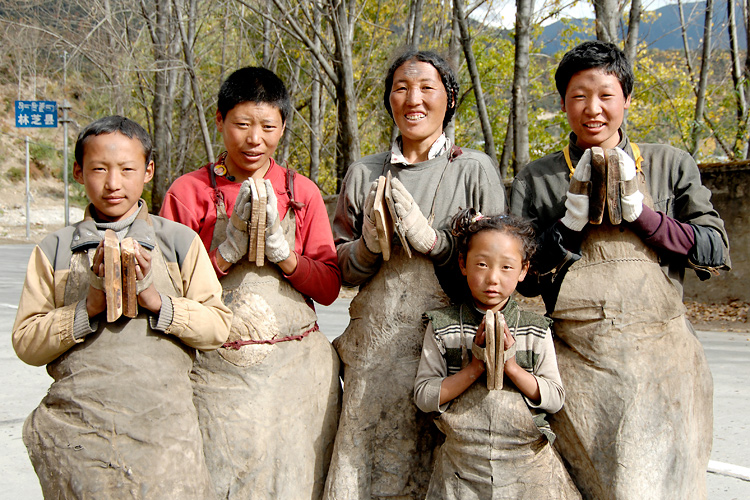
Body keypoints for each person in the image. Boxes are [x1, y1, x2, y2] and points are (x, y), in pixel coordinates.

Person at [510, 40, 730, 499]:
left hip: (665, 364)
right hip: (577, 365)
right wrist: (565, 229)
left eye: (606, 95)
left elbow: (714, 248)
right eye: (578, 96)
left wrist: (646, 218)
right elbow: (521, 277)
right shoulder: (538, 178)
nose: (593, 109)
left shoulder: (670, 165)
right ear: (563, 103)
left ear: (627, 99)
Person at [12, 115, 232, 498]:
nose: (113, 183)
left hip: (165, 436)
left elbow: (217, 327)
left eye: (127, 169)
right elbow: (27, 342)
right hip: (80, 436)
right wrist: (89, 308)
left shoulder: (178, 242)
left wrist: (156, 301)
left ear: (147, 171)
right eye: (99, 169)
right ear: (79, 172)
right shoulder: (55, 249)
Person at [327, 50, 506, 499]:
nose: (414, 100)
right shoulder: (365, 171)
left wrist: (437, 244)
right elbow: (340, 269)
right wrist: (368, 245)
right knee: (368, 467)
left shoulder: (474, 168)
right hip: (377, 350)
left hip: (453, 347)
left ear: (449, 99)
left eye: (428, 88)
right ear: (389, 99)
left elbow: (499, 269)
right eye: (402, 88)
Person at [160, 66, 342, 499]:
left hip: (295, 380)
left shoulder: (302, 193)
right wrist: (225, 253)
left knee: (294, 481)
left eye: (268, 126)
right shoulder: (188, 193)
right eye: (242, 124)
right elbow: (168, 293)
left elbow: (329, 287)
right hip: (216, 374)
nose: (254, 139)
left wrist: (286, 256)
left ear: (282, 128)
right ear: (220, 120)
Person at [414, 208, 580, 499]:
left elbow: (554, 399)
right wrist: (476, 366)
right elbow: (425, 397)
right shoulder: (443, 326)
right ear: (463, 265)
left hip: (527, 467)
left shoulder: (536, 329)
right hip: (461, 467)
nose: (492, 278)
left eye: (506, 267)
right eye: (481, 264)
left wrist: (511, 366)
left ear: (524, 270)